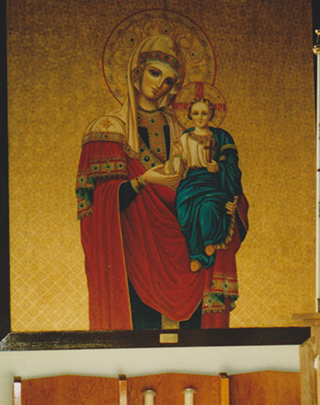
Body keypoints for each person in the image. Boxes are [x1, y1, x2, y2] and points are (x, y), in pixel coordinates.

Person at [76, 35, 248, 330]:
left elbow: (208, 180)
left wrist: (225, 194)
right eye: (154, 73)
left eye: (168, 81)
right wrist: (143, 181)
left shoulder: (184, 132)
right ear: (136, 72)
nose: (159, 84)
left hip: (185, 243)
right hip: (135, 251)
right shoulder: (107, 130)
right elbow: (95, 204)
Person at [175, 98, 243, 272]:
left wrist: (219, 168)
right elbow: (178, 165)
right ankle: (196, 255)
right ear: (190, 115)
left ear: (211, 115)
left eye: (204, 113)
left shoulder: (221, 137)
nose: (200, 117)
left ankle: (208, 244)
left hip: (213, 183)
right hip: (190, 183)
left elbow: (233, 167)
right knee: (185, 213)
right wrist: (176, 159)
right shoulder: (185, 138)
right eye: (196, 113)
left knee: (207, 207)